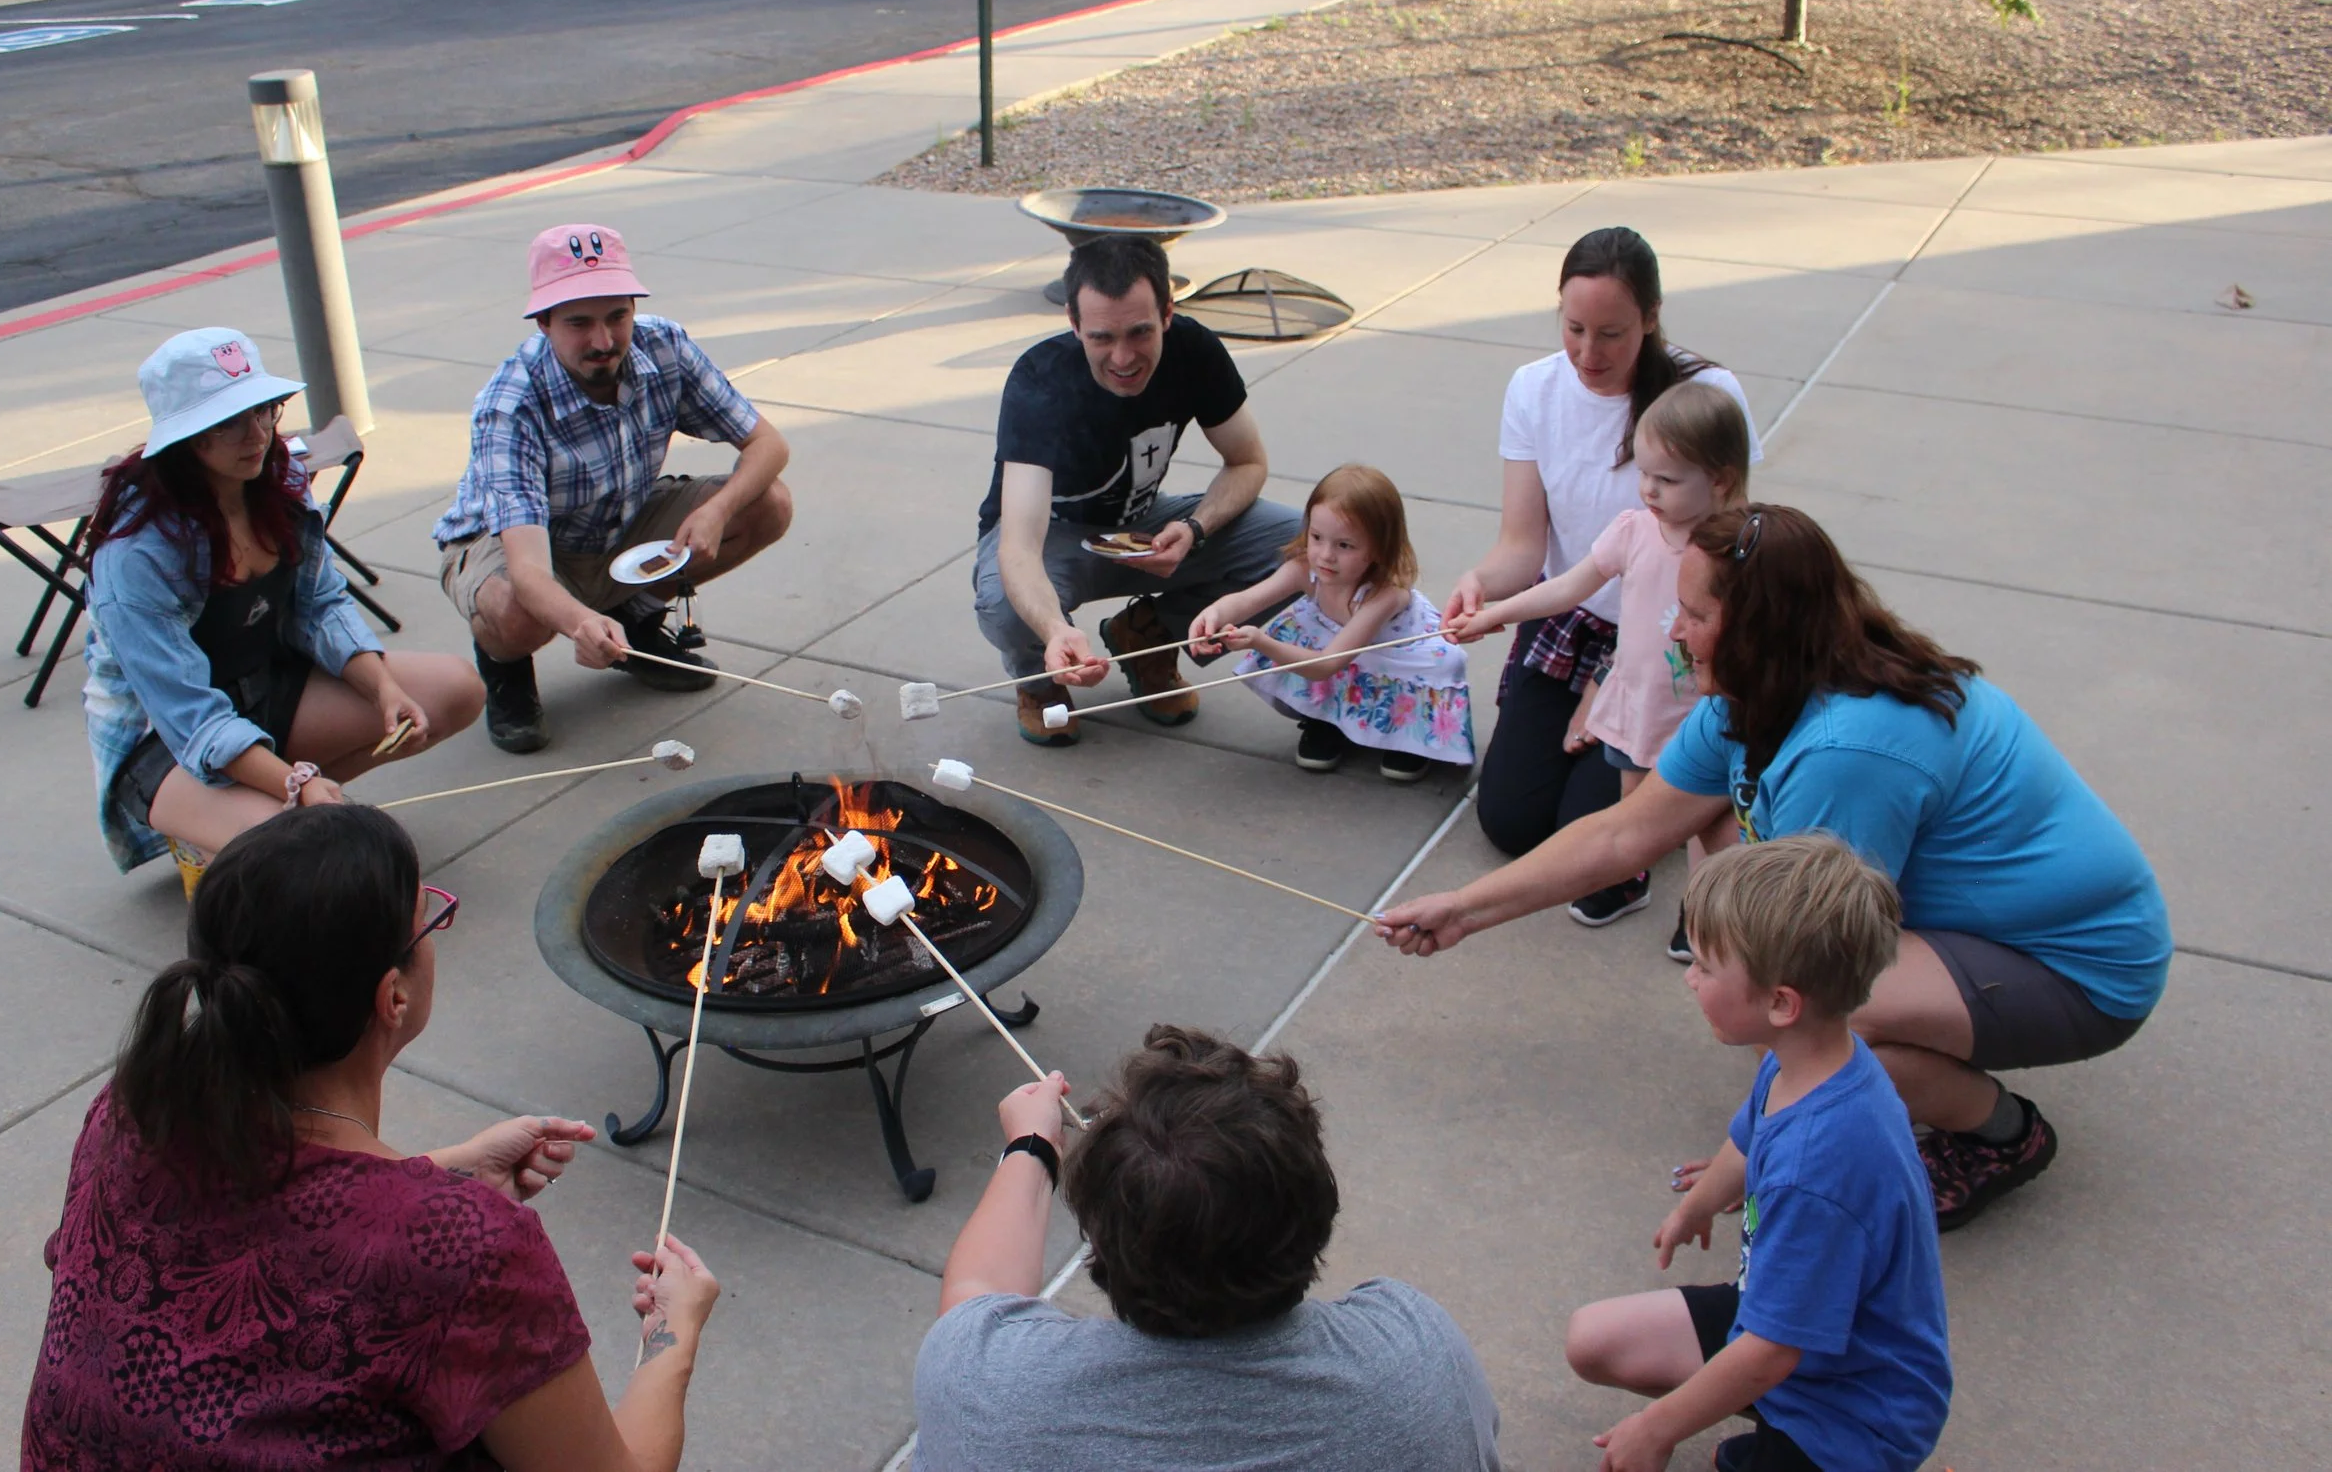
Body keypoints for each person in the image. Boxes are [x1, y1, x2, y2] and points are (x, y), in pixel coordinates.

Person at [1382, 505, 2172, 1230]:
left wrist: (1744, 1155)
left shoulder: (1848, 751)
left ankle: (2001, 1131)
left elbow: (1816, 969)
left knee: (1801, 1013)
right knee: (1762, 983)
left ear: (1761, 628)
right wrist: (1465, 908)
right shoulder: (1756, 693)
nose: (1675, 631)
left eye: (1696, 615)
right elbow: (1625, 834)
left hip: (2081, 966)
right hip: (1984, 929)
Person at [22, 805, 720, 1470]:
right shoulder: (469, 1252)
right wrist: (674, 1332)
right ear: (394, 996)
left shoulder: (132, 1113)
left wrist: (442, 1174)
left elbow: (265, 1240)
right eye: (429, 918)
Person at [911, 1026, 1503, 1471]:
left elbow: (977, 1294)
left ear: (1100, 1238)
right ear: (1318, 1211)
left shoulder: (987, 1391)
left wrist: (1033, 1146)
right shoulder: (1416, 1359)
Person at [1567, 835, 1950, 1472]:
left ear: (1780, 1003)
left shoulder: (1816, 1171)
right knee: (1594, 1340)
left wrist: (1655, 1429)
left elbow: (1773, 1351)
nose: (1690, 977)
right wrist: (1698, 1205)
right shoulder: (1812, 1059)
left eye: (1705, 966)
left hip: (1856, 1415)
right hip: (1794, 1331)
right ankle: (1769, 1423)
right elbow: (1749, 1138)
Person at [85, 328, 482, 886]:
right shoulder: (137, 555)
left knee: (456, 691)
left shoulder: (278, 477)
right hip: (170, 740)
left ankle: (274, 816)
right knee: (316, 865)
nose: (257, 435)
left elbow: (319, 604)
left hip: (265, 685)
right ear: (185, 437)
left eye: (264, 410)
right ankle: (244, 822)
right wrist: (297, 783)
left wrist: (383, 690)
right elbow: (190, 718)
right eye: (228, 422)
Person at [1444, 227, 1760, 919]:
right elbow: (1524, 548)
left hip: (1664, 638)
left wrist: (1617, 673)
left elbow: (1727, 549)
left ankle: (1683, 816)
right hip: (1570, 618)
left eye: (1612, 333)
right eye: (1574, 328)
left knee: (1595, 837)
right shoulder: (1533, 388)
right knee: (1512, 822)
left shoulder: (1706, 393)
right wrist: (1482, 587)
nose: (1589, 353)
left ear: (1651, 317)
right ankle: (1662, 799)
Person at [435, 223, 793, 754]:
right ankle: (505, 668)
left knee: (769, 504)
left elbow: (768, 444)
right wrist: (581, 622)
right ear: (543, 322)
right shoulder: (510, 405)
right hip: (517, 544)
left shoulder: (664, 344)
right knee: (517, 610)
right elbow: (529, 571)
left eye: (616, 316)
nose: (603, 341)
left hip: (617, 521)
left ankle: (635, 618)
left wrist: (717, 511)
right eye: (578, 322)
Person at [973, 234, 1302, 746]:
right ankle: (1042, 680)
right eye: (1102, 337)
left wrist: (1195, 528)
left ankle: (1149, 634)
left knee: (1307, 549)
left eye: (1140, 332)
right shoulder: (1040, 379)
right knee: (1004, 601)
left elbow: (1247, 462)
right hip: (1054, 539)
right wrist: (1055, 629)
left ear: (1167, 313)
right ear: (1073, 322)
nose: (1123, 357)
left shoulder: (1194, 351)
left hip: (1145, 526)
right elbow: (1019, 545)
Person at [1189, 462, 1474, 782]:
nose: (1325, 555)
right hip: (1340, 648)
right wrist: (1214, 615)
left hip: (1391, 655)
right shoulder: (1304, 568)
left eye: (1344, 545)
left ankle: (1408, 734)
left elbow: (1328, 664)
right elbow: (1247, 600)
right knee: (1297, 632)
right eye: (1316, 537)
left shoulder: (1385, 594)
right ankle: (1326, 719)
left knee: (1438, 663)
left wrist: (1260, 641)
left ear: (1380, 548)